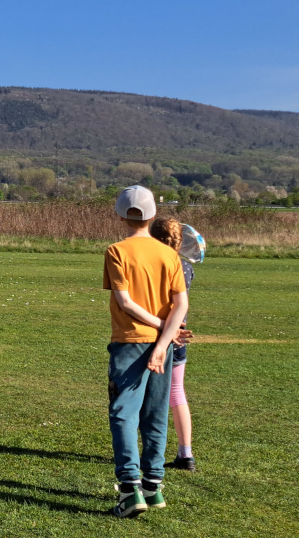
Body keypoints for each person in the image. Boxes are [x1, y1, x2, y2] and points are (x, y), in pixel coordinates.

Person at [104, 186, 188, 518]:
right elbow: (181, 303)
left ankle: (129, 489)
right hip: (164, 344)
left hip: (129, 342)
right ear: (152, 215)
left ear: (120, 215)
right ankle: (153, 486)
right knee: (155, 414)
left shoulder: (116, 250)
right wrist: (167, 337)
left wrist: (158, 331)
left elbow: (125, 302)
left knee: (123, 414)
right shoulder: (170, 254)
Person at [148, 218, 197, 472]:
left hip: (151, 335)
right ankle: (185, 453)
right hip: (178, 337)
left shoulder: (152, 263)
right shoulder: (186, 267)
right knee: (177, 393)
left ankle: (145, 453)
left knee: (144, 396)